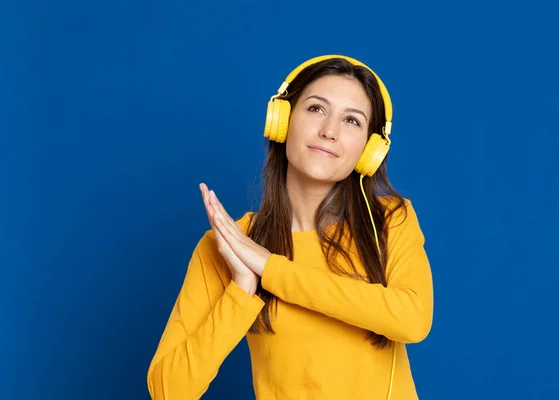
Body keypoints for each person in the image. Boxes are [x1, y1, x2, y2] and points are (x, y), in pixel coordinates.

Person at [146, 55, 434, 400]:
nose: (330, 131)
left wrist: (271, 268)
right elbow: (168, 391)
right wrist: (242, 289)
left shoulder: (388, 220)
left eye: (352, 121)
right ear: (282, 121)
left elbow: (412, 320)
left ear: (369, 150)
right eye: (316, 109)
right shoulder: (228, 245)